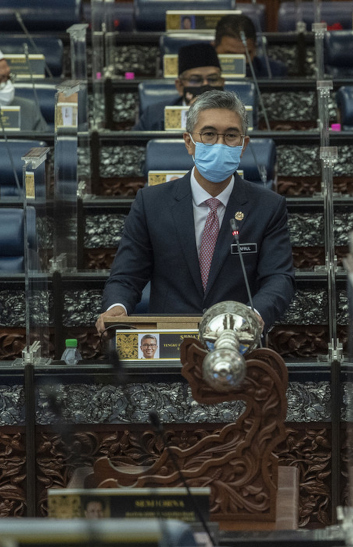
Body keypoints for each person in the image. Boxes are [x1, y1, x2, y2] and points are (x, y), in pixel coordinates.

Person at [98, 90, 295, 334]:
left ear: (243, 145)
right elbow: (127, 275)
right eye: (209, 134)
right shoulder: (151, 203)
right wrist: (118, 306)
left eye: (231, 135)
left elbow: (279, 278)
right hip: (168, 340)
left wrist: (252, 316)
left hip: (238, 340)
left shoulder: (267, 206)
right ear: (189, 142)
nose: (220, 144)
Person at [133, 43, 225, 132]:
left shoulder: (236, 113)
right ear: (180, 85)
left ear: (222, 82)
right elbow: (134, 147)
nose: (206, 84)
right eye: (195, 80)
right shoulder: (154, 115)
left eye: (213, 79)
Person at [213, 14, 288, 78]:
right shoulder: (202, 74)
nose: (240, 61)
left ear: (255, 48)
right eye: (231, 54)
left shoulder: (274, 72)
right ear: (213, 47)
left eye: (246, 54)